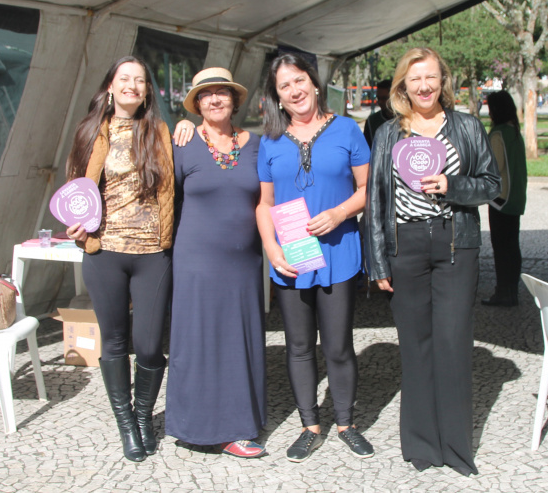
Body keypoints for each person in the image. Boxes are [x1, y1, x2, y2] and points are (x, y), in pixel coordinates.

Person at [364, 47, 501, 474]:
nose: (424, 87)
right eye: (414, 79)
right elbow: (375, 200)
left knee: (453, 343)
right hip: (405, 245)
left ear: (444, 81)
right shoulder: (389, 133)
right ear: (403, 84)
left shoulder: (466, 127)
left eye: (432, 78)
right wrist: (379, 262)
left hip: (455, 245)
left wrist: (453, 184)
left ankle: (457, 449)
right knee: (416, 346)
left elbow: (493, 185)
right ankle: (422, 446)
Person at [256, 53, 372, 462]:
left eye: (300, 80)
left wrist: (340, 213)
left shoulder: (346, 130)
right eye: (285, 86)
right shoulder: (269, 141)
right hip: (291, 257)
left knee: (339, 346)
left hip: (338, 252)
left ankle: (346, 423)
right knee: (299, 346)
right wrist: (271, 249)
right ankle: (310, 425)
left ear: (315, 83)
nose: (295, 90)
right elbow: (264, 203)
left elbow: (367, 187)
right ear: (277, 96)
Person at [65, 56, 174, 462]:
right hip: (104, 252)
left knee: (147, 345)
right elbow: (74, 187)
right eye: (124, 78)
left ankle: (144, 414)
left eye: (140, 80)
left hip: (151, 254)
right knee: (112, 341)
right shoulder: (90, 131)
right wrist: (75, 225)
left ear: (147, 91)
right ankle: (127, 424)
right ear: (110, 86)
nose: (131, 85)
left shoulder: (159, 131)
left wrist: (184, 125)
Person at [165, 68, 267, 458]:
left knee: (238, 342)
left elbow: (271, 197)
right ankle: (198, 426)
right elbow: (163, 201)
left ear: (235, 100)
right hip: (196, 262)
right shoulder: (183, 143)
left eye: (221, 92)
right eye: (205, 95)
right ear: (196, 104)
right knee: (198, 341)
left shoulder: (255, 144)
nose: (214, 100)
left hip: (243, 263)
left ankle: (240, 423)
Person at [481, 90, 527, 307]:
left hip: (500, 199)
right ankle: (512, 289)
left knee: (501, 248)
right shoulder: (515, 132)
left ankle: (503, 291)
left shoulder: (498, 134)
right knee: (512, 246)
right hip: (516, 197)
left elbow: (493, 168)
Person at [363, 79, 393, 148]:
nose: (380, 102)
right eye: (378, 98)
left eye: (384, 98)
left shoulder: (406, 119)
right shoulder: (372, 121)